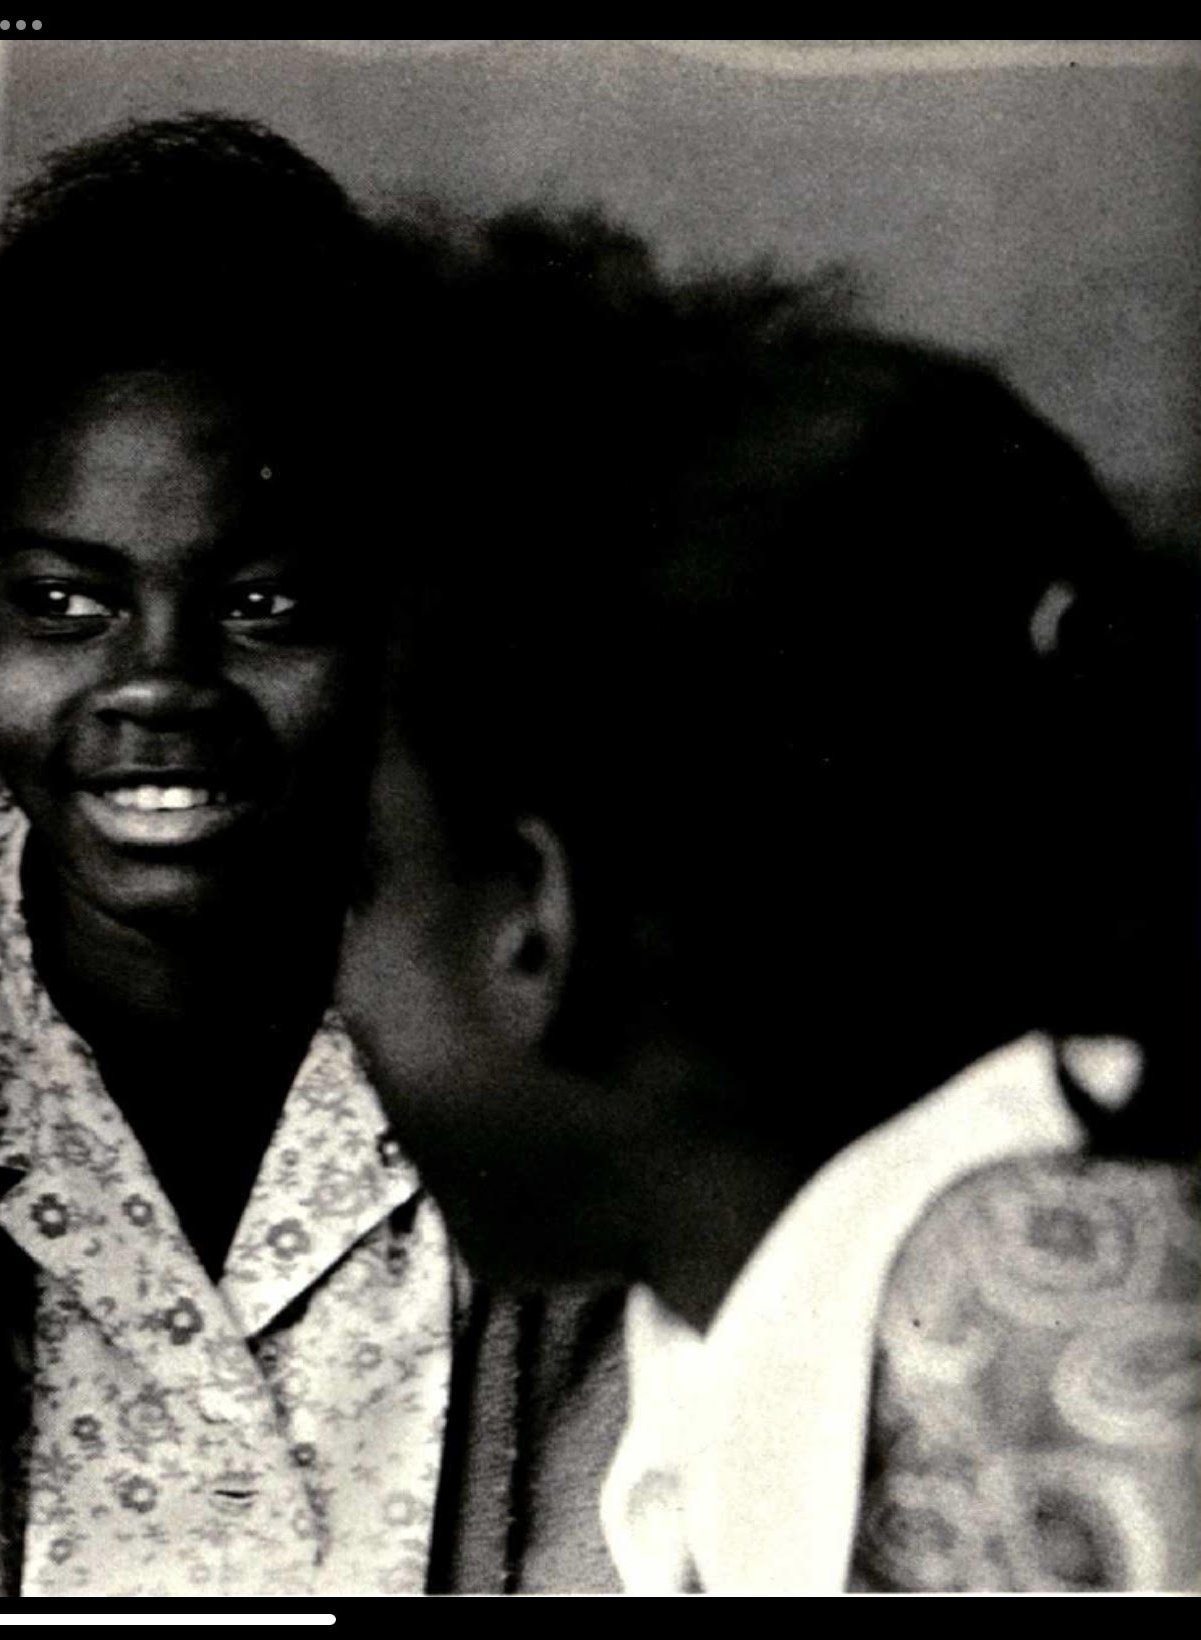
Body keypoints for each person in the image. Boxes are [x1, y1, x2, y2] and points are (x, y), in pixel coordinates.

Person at [335, 212, 1201, 1593]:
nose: (340, 995)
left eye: (360, 883)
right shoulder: (746, 1357)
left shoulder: (1023, 1334)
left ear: (535, 919)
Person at [0, 116, 624, 1597]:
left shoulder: (527, 1036)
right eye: (65, 605)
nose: (158, 686)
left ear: (394, 615)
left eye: (263, 606)